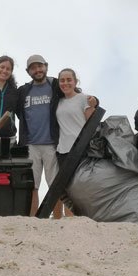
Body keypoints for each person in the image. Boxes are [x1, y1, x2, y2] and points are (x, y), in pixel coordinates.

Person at [17, 54, 61, 217]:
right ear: (28, 71)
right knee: (32, 185)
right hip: (31, 144)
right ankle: (33, 219)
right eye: (33, 67)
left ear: (46, 66)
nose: (37, 70)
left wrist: (94, 100)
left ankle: (58, 218)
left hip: (52, 143)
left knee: (55, 184)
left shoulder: (56, 84)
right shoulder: (24, 90)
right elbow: (17, 111)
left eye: (40, 66)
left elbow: (73, 95)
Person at [54, 68, 99, 218]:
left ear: (75, 82)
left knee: (80, 186)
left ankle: (84, 218)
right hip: (62, 150)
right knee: (66, 188)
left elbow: (91, 123)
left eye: (69, 80)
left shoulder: (82, 98)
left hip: (80, 149)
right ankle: (69, 219)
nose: (65, 83)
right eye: (62, 80)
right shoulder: (58, 102)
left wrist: (93, 104)